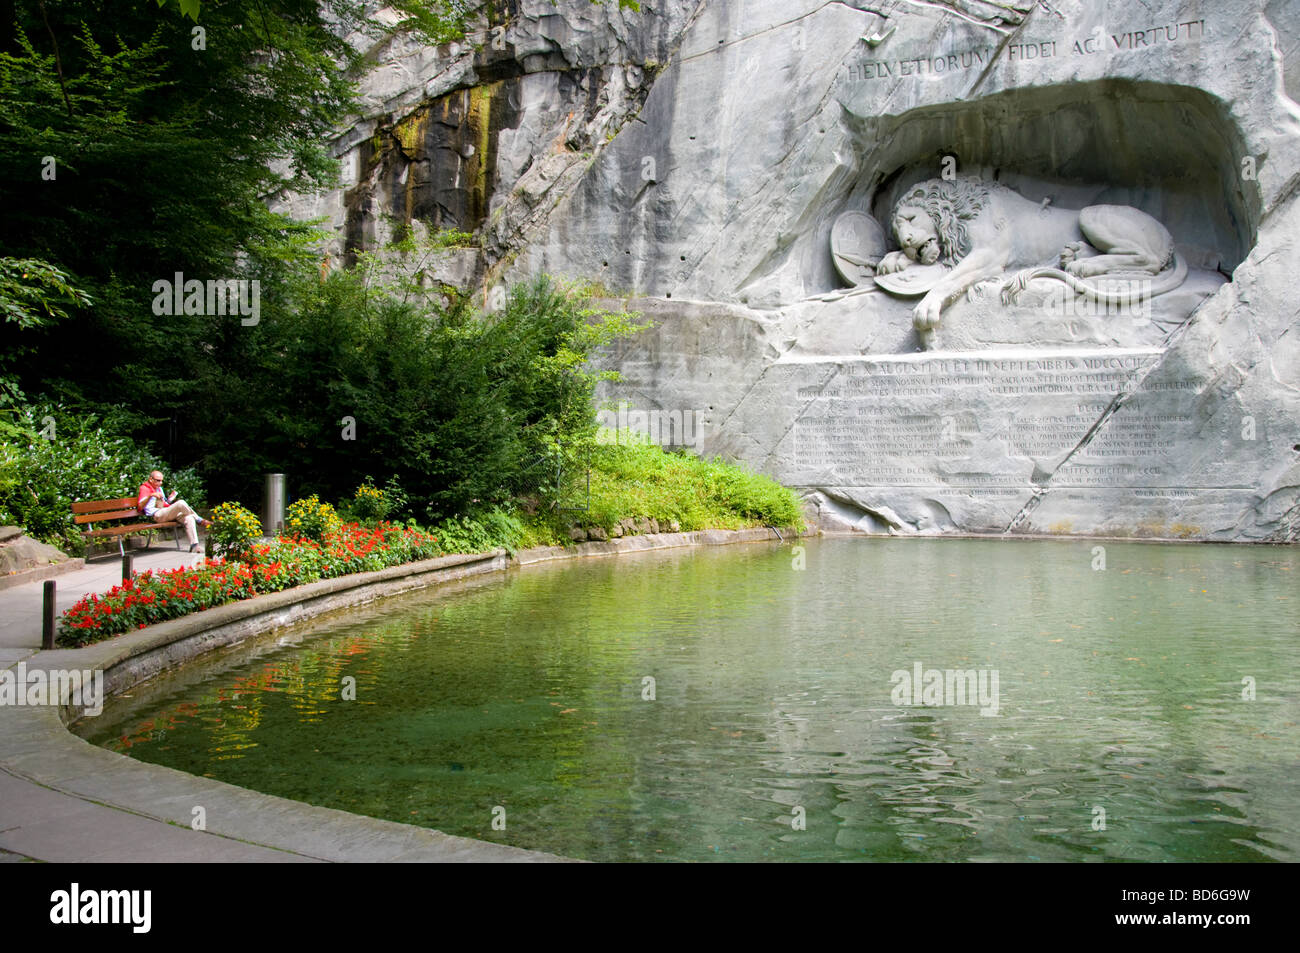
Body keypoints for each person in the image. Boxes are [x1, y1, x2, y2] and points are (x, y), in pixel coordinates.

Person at [137, 470, 210, 552]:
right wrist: (151, 495)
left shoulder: (159, 489)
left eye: (161, 480)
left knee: (189, 518)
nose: (160, 483)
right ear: (151, 479)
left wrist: (169, 500)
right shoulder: (144, 488)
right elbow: (140, 507)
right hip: (157, 515)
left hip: (165, 512)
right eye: (158, 480)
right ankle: (199, 520)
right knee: (181, 503)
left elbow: (164, 504)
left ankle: (194, 546)